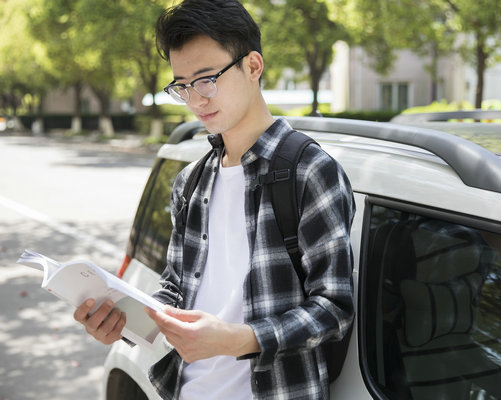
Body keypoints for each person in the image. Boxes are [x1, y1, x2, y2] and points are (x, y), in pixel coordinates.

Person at [73, 1, 355, 399]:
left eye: (206, 79)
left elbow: (334, 309)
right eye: (182, 85)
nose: (195, 99)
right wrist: (127, 319)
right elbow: (176, 286)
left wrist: (237, 339)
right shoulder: (192, 180)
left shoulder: (310, 171)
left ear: (253, 66)